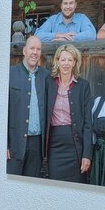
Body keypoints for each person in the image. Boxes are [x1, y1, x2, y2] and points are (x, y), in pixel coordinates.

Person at [44, 44, 92, 182]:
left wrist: (87, 154)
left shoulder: (83, 86)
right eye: (63, 59)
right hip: (54, 144)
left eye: (70, 60)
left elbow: (88, 123)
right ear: (57, 61)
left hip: (75, 145)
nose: (66, 63)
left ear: (75, 62)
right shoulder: (48, 82)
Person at [7, 36, 51, 176]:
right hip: (14, 142)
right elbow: (1, 112)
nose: (35, 52)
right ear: (24, 51)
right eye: (32, 48)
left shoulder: (46, 77)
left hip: (37, 144)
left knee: (31, 185)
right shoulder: (10, 74)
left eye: (38, 49)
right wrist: (4, 144)